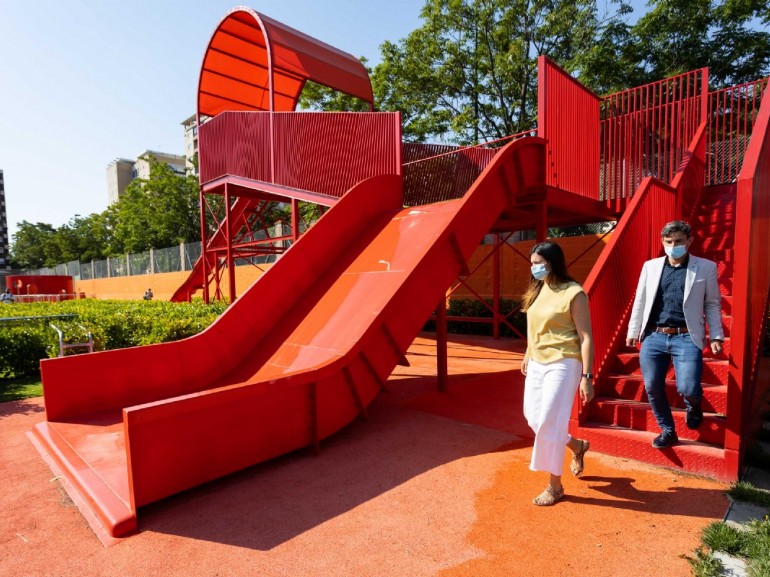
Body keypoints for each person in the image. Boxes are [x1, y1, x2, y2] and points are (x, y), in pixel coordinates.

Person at [626, 220, 724, 449]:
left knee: (688, 387)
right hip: (654, 334)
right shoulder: (650, 267)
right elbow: (640, 300)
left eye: (679, 241)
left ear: (689, 241)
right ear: (663, 242)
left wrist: (716, 335)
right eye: (669, 241)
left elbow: (712, 303)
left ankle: (694, 403)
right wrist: (633, 330)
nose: (673, 245)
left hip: (686, 336)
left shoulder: (706, 267)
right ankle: (668, 430)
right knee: (652, 385)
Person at [521, 241, 595, 506]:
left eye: (539, 263)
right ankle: (576, 445)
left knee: (550, 423)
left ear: (553, 262)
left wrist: (588, 376)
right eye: (532, 263)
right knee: (533, 417)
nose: (535, 268)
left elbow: (585, 336)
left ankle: (555, 486)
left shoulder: (574, 293)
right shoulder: (537, 289)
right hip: (538, 361)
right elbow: (536, 327)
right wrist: (529, 352)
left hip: (565, 362)